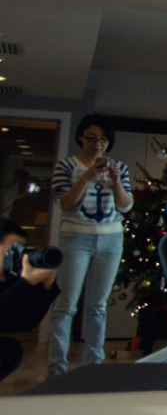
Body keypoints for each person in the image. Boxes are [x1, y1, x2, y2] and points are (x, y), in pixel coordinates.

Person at [47, 116, 130, 377]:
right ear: (81, 137)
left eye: (103, 139)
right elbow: (65, 203)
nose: (97, 144)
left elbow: (126, 206)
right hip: (76, 238)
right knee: (67, 303)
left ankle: (93, 365)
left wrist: (115, 181)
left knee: (98, 305)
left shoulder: (119, 167)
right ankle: (57, 367)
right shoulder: (67, 165)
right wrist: (86, 178)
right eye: (92, 138)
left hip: (111, 239)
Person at [0, 218, 62, 383]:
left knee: (10, 349)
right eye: (13, 249)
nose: (20, 257)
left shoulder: (9, 281)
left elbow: (25, 323)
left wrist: (46, 288)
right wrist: (25, 284)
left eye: (23, 250)